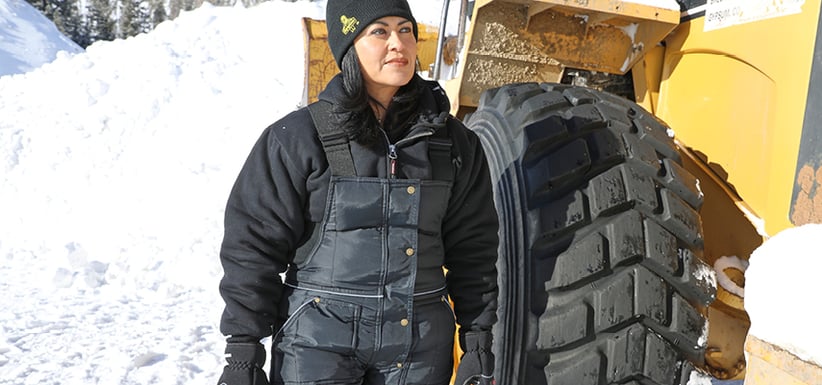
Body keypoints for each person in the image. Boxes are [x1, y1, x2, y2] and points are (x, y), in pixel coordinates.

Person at [216, 1, 498, 384]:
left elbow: (474, 250)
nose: (398, 43)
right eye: (379, 31)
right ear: (348, 47)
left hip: (420, 349)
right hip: (317, 345)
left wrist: (478, 342)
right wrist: (243, 351)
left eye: (406, 30)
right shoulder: (299, 138)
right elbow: (252, 247)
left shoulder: (453, 143)